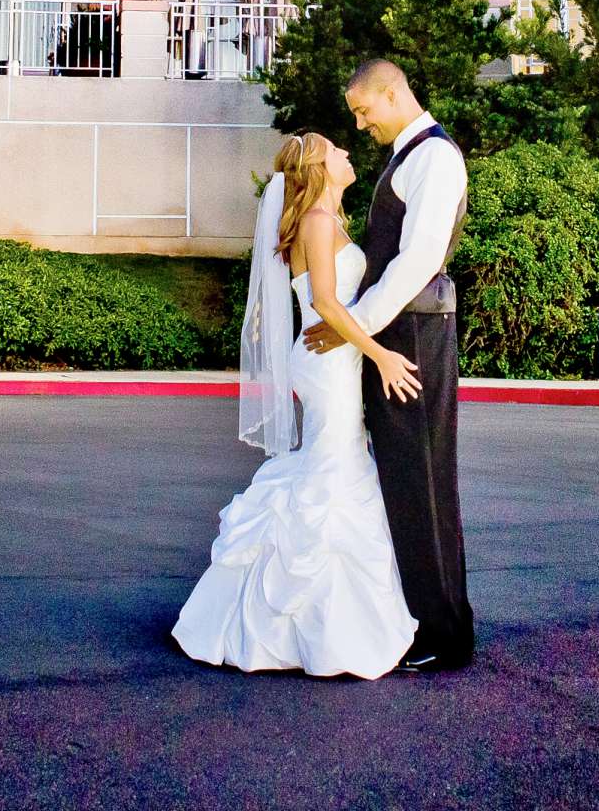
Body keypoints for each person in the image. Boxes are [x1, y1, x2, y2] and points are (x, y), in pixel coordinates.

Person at [171, 133, 422, 679]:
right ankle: (325, 629)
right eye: (337, 151)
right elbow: (327, 302)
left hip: (332, 357)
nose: (348, 155)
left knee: (333, 466)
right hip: (328, 362)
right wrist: (381, 355)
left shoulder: (329, 219)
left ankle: (339, 622)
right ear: (318, 167)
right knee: (335, 471)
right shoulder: (315, 220)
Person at [302, 58, 476, 673]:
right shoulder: (406, 156)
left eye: (363, 109)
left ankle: (444, 634)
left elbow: (419, 257)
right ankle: (427, 620)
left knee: (422, 480)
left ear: (393, 92)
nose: (359, 121)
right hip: (398, 330)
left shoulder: (435, 157)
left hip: (414, 333)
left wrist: (357, 329)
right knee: (404, 478)